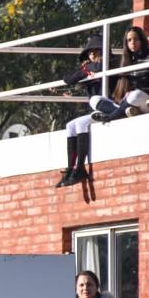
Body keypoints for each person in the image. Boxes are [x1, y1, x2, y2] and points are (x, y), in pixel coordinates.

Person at [56, 35, 105, 187]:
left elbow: (99, 68)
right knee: (70, 125)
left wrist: (87, 69)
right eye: (90, 53)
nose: (93, 56)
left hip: (108, 107)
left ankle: (81, 167)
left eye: (97, 52)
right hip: (94, 111)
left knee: (81, 124)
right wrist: (84, 70)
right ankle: (71, 169)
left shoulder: (109, 64)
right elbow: (68, 78)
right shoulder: (88, 69)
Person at [89, 26, 149, 123]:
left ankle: (110, 117)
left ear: (142, 40)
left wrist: (136, 91)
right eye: (129, 40)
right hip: (128, 104)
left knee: (135, 95)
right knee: (94, 100)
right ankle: (125, 113)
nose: (132, 43)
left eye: (136, 39)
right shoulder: (126, 61)